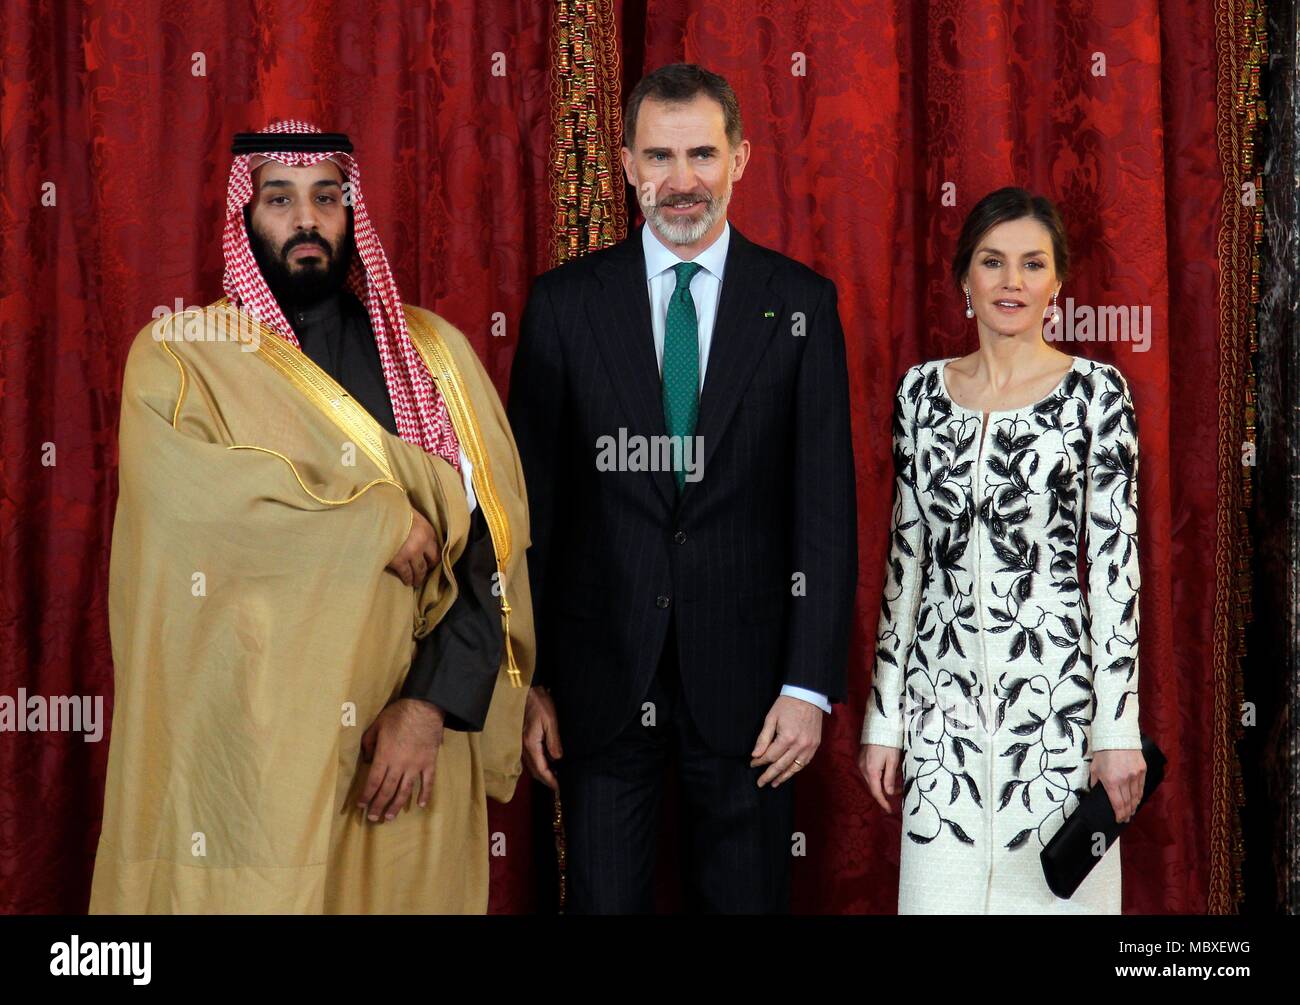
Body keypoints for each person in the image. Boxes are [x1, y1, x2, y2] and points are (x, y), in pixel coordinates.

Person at [90, 119, 534, 914]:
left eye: (326, 198)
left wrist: (429, 708)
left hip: (404, 760)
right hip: (255, 757)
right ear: (243, 215)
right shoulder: (181, 360)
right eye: (280, 198)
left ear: (349, 212)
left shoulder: (435, 359)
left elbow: (490, 553)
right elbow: (195, 519)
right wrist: (374, 522)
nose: (305, 220)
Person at [509, 64, 857, 913]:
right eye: (659, 156)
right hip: (598, 687)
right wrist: (528, 680)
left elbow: (825, 509)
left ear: (742, 157)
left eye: (703, 152)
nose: (682, 180)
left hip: (754, 697)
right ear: (626, 164)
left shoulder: (802, 303)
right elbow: (531, 513)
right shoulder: (562, 306)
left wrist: (809, 687)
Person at [857, 186, 1147, 913]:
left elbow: (1115, 574)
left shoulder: (1096, 395)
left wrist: (1117, 729)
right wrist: (884, 719)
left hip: (1056, 721)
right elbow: (906, 565)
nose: (1011, 281)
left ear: (1057, 281)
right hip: (940, 723)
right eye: (993, 262)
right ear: (965, 278)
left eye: (1031, 263)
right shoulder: (921, 394)